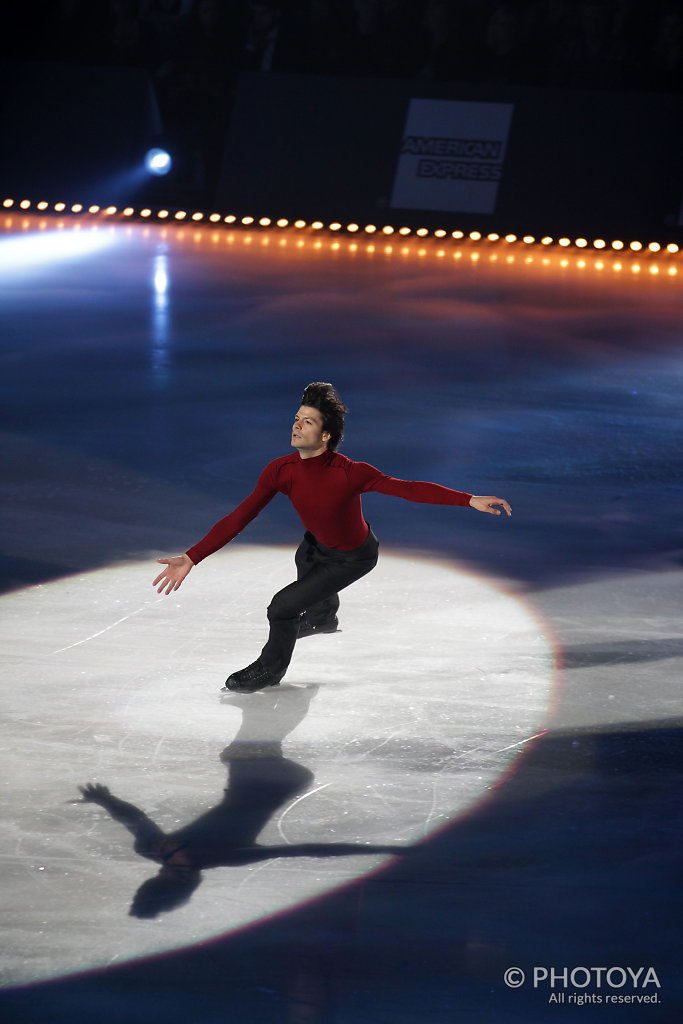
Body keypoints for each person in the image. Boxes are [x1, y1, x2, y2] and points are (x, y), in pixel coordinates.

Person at [153, 382, 511, 693]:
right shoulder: (280, 470)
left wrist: (468, 499)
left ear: (325, 435)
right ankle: (324, 617)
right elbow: (239, 517)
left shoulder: (351, 473)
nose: (296, 425)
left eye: (307, 422)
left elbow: (409, 489)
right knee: (304, 558)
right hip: (316, 546)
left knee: (282, 608)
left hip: (353, 557)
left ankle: (270, 669)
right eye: (296, 418)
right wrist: (192, 556)